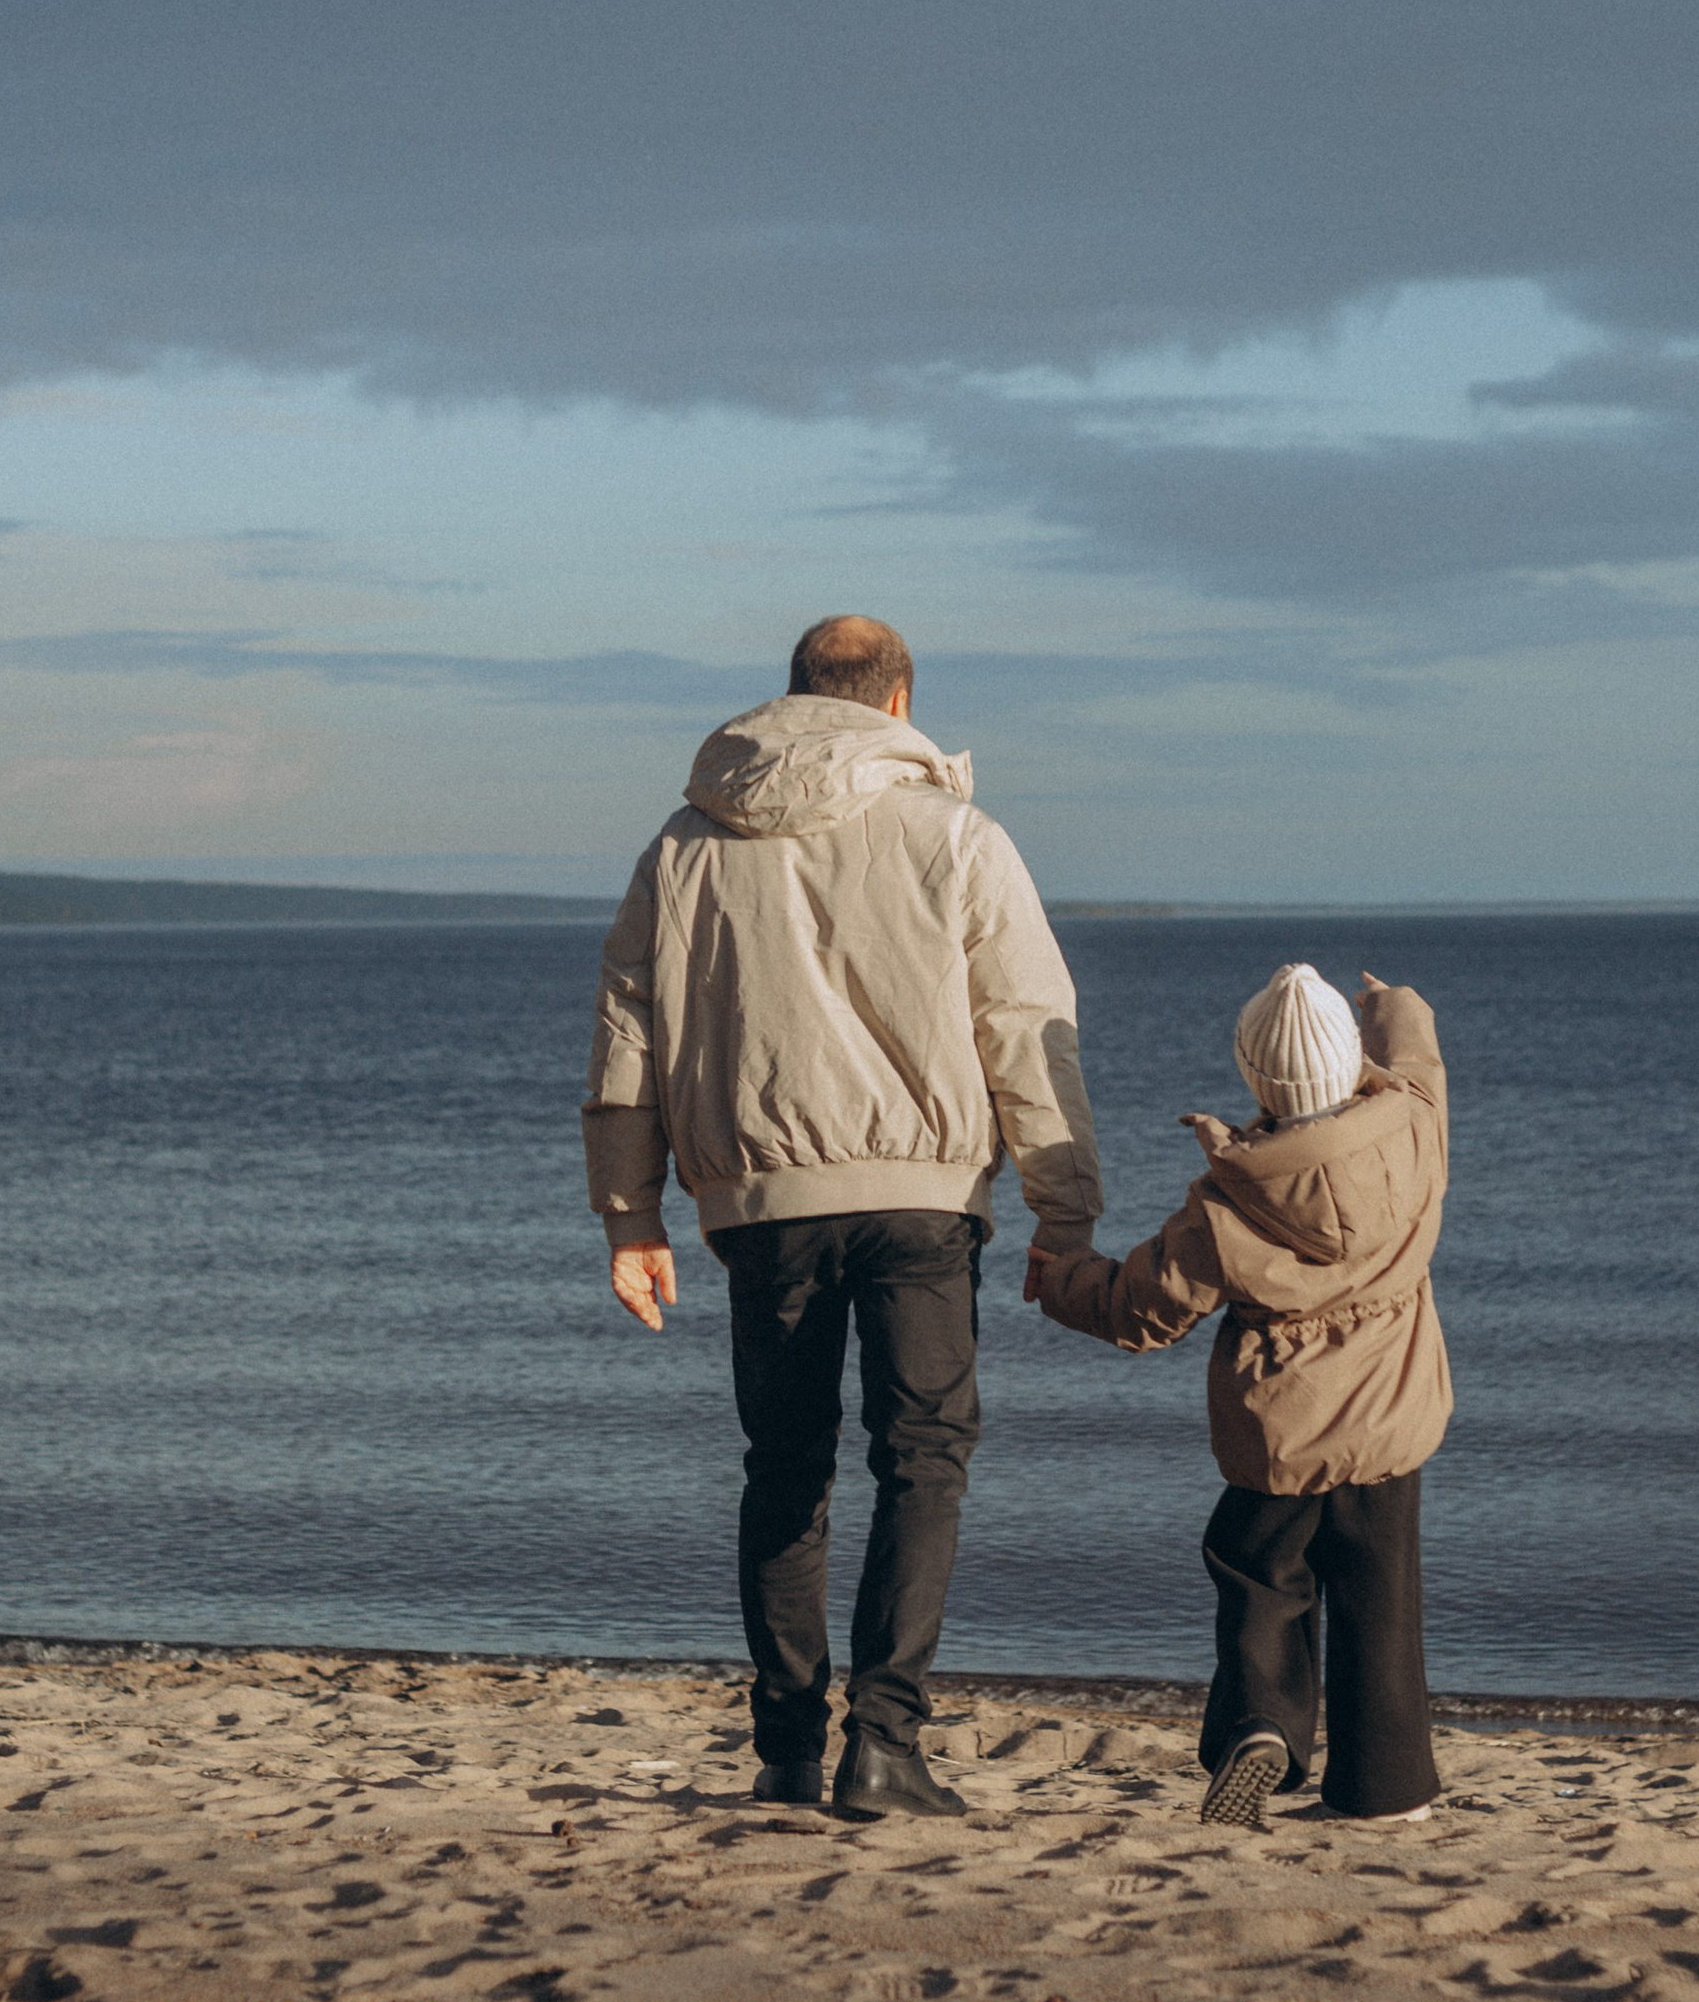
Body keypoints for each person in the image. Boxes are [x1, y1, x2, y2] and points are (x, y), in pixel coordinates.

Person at [583, 614, 1103, 1820]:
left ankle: (782, 1748)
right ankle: (884, 1744)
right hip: (922, 1200)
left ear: (789, 700)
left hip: (762, 1202)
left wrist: (630, 1216)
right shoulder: (959, 835)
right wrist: (1061, 1212)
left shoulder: (681, 847)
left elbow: (629, 1034)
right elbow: (1026, 1028)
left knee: (787, 1467)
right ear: (899, 706)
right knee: (922, 1460)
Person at [1025, 960, 1450, 1832]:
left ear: (1254, 1078)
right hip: (1389, 1429)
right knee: (1382, 1598)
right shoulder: (1414, 1126)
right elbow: (1422, 1059)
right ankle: (1386, 1787)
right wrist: (1392, 1005)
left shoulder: (1230, 1202)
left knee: (1258, 1577)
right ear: (1353, 1062)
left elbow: (1142, 1308)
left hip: (1280, 1443)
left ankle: (1263, 1724)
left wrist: (1062, 1281)